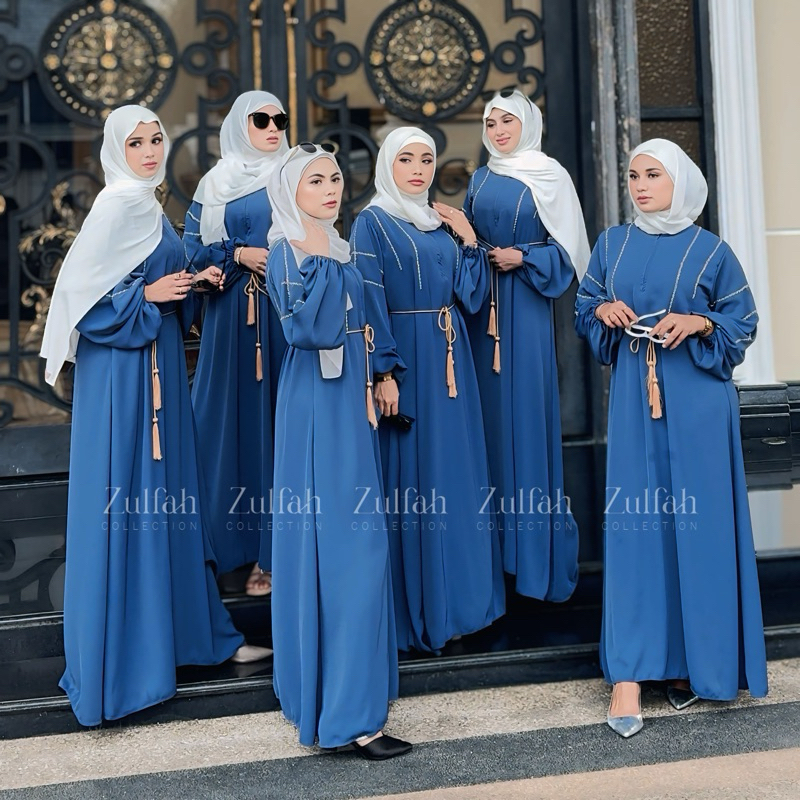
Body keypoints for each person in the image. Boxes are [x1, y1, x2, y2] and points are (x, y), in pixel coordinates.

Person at [39, 106, 269, 727]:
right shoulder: (116, 206)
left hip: (157, 359)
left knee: (169, 500)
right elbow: (82, 303)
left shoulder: (147, 206)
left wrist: (195, 280)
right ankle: (127, 666)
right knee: (133, 499)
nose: (149, 151)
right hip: (124, 376)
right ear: (116, 150)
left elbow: (156, 279)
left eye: (156, 139)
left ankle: (194, 639)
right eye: (136, 142)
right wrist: (144, 295)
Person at [574, 138, 768, 738]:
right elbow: (585, 306)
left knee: (699, 529)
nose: (640, 186)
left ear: (680, 182)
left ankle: (694, 663)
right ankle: (630, 673)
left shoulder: (711, 251)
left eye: (653, 175)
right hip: (637, 400)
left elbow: (743, 322)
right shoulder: (612, 244)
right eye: (634, 175)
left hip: (699, 405)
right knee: (638, 528)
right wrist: (602, 311)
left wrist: (700, 320)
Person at [264, 143, 410, 760]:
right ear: (289, 193)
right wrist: (323, 260)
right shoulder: (287, 252)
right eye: (315, 182)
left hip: (352, 406)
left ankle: (353, 700)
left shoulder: (340, 248)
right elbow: (308, 330)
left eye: (334, 179)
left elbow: (363, 325)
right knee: (341, 551)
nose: (330, 189)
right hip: (315, 411)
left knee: (361, 548)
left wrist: (380, 374)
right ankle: (346, 716)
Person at [350, 127, 505, 653]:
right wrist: (383, 372)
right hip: (407, 365)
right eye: (406, 159)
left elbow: (471, 298)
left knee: (455, 474)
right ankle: (417, 613)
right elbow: (368, 299)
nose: (417, 170)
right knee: (414, 482)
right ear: (387, 165)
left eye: (426, 160)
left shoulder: (440, 223)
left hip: (452, 361)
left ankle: (461, 605)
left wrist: (468, 239)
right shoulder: (372, 222)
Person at [440, 89, 589, 600]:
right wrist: (466, 238)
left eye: (508, 121)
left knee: (524, 423)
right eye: (491, 123)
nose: (499, 131)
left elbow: (567, 256)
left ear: (528, 125)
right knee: (486, 430)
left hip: (524, 314)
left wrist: (522, 258)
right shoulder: (481, 179)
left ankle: (532, 564)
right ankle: (493, 563)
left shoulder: (551, 177)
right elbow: (468, 245)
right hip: (480, 315)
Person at [183, 91, 289, 595]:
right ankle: (220, 549)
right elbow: (190, 251)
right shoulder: (214, 183)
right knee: (221, 425)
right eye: (260, 120)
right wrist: (238, 253)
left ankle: (273, 556)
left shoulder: (294, 173)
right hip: (229, 322)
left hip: (285, 318)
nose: (272, 128)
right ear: (237, 126)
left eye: (279, 119)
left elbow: (321, 235)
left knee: (281, 426)